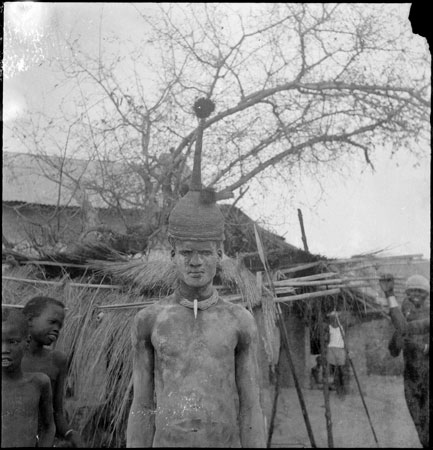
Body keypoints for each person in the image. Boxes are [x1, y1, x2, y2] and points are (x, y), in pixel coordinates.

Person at [126, 98, 266, 448]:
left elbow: (251, 408)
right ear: (172, 255)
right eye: (186, 252)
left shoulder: (239, 321)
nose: (196, 262)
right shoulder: (150, 321)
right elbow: (141, 406)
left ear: (220, 255)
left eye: (205, 252)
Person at [22, 296, 82, 448]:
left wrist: (70, 434)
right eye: (52, 322)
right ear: (29, 320)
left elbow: (57, 413)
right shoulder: (9, 357)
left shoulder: (57, 360)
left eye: (60, 325)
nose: (57, 328)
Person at [379, 273, 429, 448]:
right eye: (411, 291)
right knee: (420, 425)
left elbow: (406, 328)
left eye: (420, 291)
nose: (415, 294)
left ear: (427, 295)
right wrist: (397, 340)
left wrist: (422, 347)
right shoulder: (406, 315)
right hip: (412, 380)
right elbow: (394, 350)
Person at [2, 307, 55, 447]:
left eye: (12, 342)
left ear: (27, 341)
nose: (4, 350)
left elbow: (48, 427)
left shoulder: (39, 383)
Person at [325, 311, 347, 396]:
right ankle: (336, 388)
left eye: (336, 317)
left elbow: (344, 339)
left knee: (341, 370)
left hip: (340, 349)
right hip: (331, 349)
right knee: (333, 370)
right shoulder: (329, 327)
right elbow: (327, 339)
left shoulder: (342, 327)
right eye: (333, 318)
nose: (335, 319)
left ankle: (341, 388)